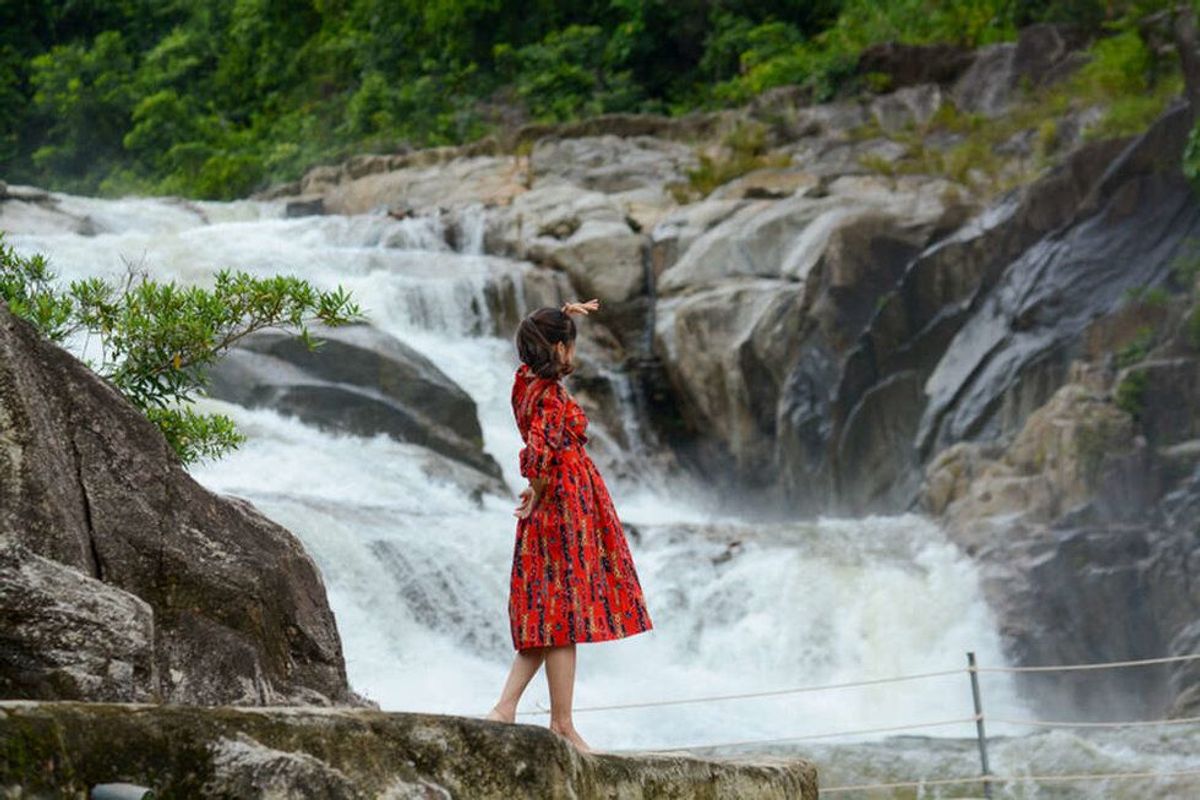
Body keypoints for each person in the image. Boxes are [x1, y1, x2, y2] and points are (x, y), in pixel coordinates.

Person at [484, 298, 653, 753]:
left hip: (557, 500)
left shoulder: (524, 383)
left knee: (548, 612)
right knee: (562, 615)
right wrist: (537, 488)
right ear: (558, 349)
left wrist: (564, 311)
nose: (573, 354)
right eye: (569, 345)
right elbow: (539, 451)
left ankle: (506, 708)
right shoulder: (549, 395)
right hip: (564, 505)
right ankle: (561, 723)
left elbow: (538, 447)